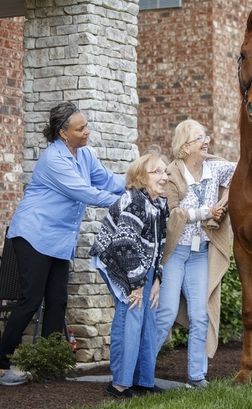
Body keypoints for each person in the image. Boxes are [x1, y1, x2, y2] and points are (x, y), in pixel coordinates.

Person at [0, 101, 126, 386]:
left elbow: (109, 180)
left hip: (59, 240)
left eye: (86, 125)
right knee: (30, 301)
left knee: (58, 301)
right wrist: (128, 201)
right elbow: (85, 191)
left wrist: (138, 181)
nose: (87, 131)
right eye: (81, 128)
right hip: (34, 235)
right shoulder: (54, 159)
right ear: (63, 133)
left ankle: (48, 366)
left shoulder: (84, 155)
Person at [155, 119, 236, 388]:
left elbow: (243, 171)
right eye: (200, 138)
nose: (206, 142)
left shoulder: (214, 168)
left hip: (201, 253)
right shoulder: (172, 173)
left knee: (201, 315)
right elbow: (171, 214)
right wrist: (206, 213)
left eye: (206, 136)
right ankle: (140, 371)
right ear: (186, 146)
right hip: (175, 254)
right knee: (165, 313)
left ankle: (196, 377)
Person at [89, 147, 170, 398]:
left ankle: (143, 381)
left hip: (139, 262)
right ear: (141, 177)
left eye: (166, 171)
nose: (164, 176)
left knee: (149, 316)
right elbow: (123, 245)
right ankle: (119, 384)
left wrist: (156, 279)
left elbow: (158, 246)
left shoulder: (159, 204)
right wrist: (136, 284)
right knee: (130, 315)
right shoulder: (135, 201)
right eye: (157, 171)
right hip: (117, 261)